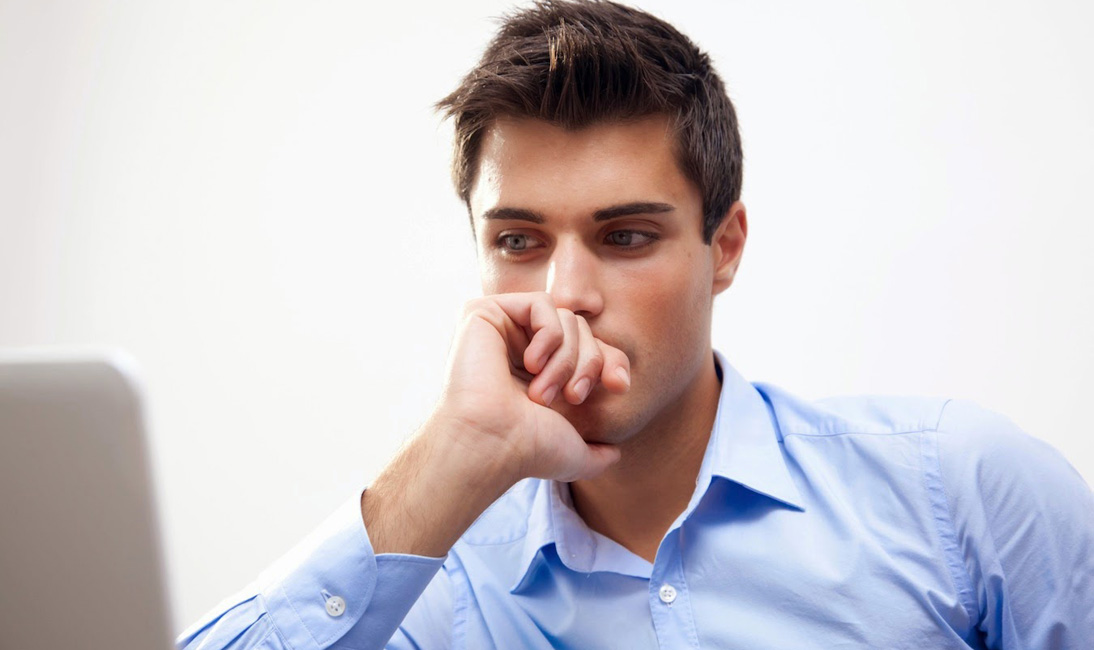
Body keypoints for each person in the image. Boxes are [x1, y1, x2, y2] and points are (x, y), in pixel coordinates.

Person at [178, 1, 1094, 648]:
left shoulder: (960, 496)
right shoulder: (435, 589)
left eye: (625, 236)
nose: (567, 293)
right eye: (518, 240)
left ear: (724, 247)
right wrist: (452, 457)